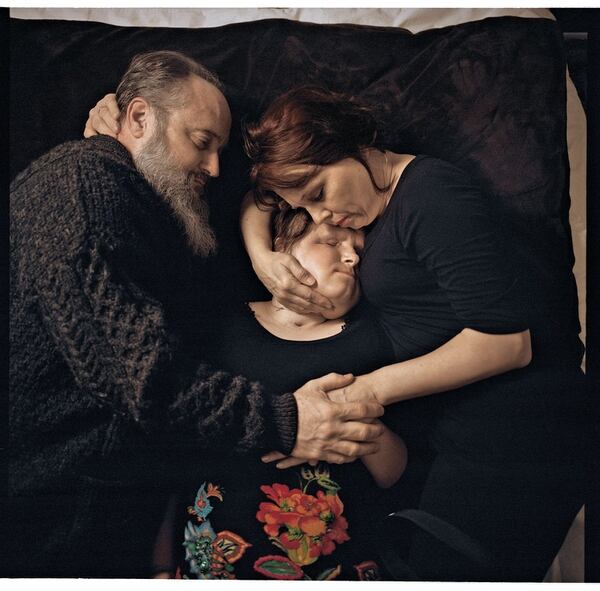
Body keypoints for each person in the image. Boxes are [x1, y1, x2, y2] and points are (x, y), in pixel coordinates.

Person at [8, 55, 385, 578]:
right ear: (138, 119)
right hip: (52, 519)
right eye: (202, 142)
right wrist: (288, 421)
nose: (212, 169)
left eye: (220, 151)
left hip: (118, 516)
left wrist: (262, 255)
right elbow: (142, 377)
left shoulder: (148, 205)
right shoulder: (82, 185)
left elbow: (261, 193)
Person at [238, 86, 588, 581]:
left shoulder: (430, 194)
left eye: (319, 195)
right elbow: (259, 199)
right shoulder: (361, 210)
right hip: (448, 435)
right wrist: (265, 259)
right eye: (305, 210)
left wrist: (364, 392)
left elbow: (507, 341)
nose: (321, 217)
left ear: (346, 143)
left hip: (516, 428)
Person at [150, 208, 408, 580]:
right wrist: (160, 564)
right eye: (331, 242)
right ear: (280, 250)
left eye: (358, 251)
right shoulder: (220, 328)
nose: (352, 257)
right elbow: (174, 454)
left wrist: (358, 420)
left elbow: (392, 473)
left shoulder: (371, 341)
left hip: (333, 568)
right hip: (211, 563)